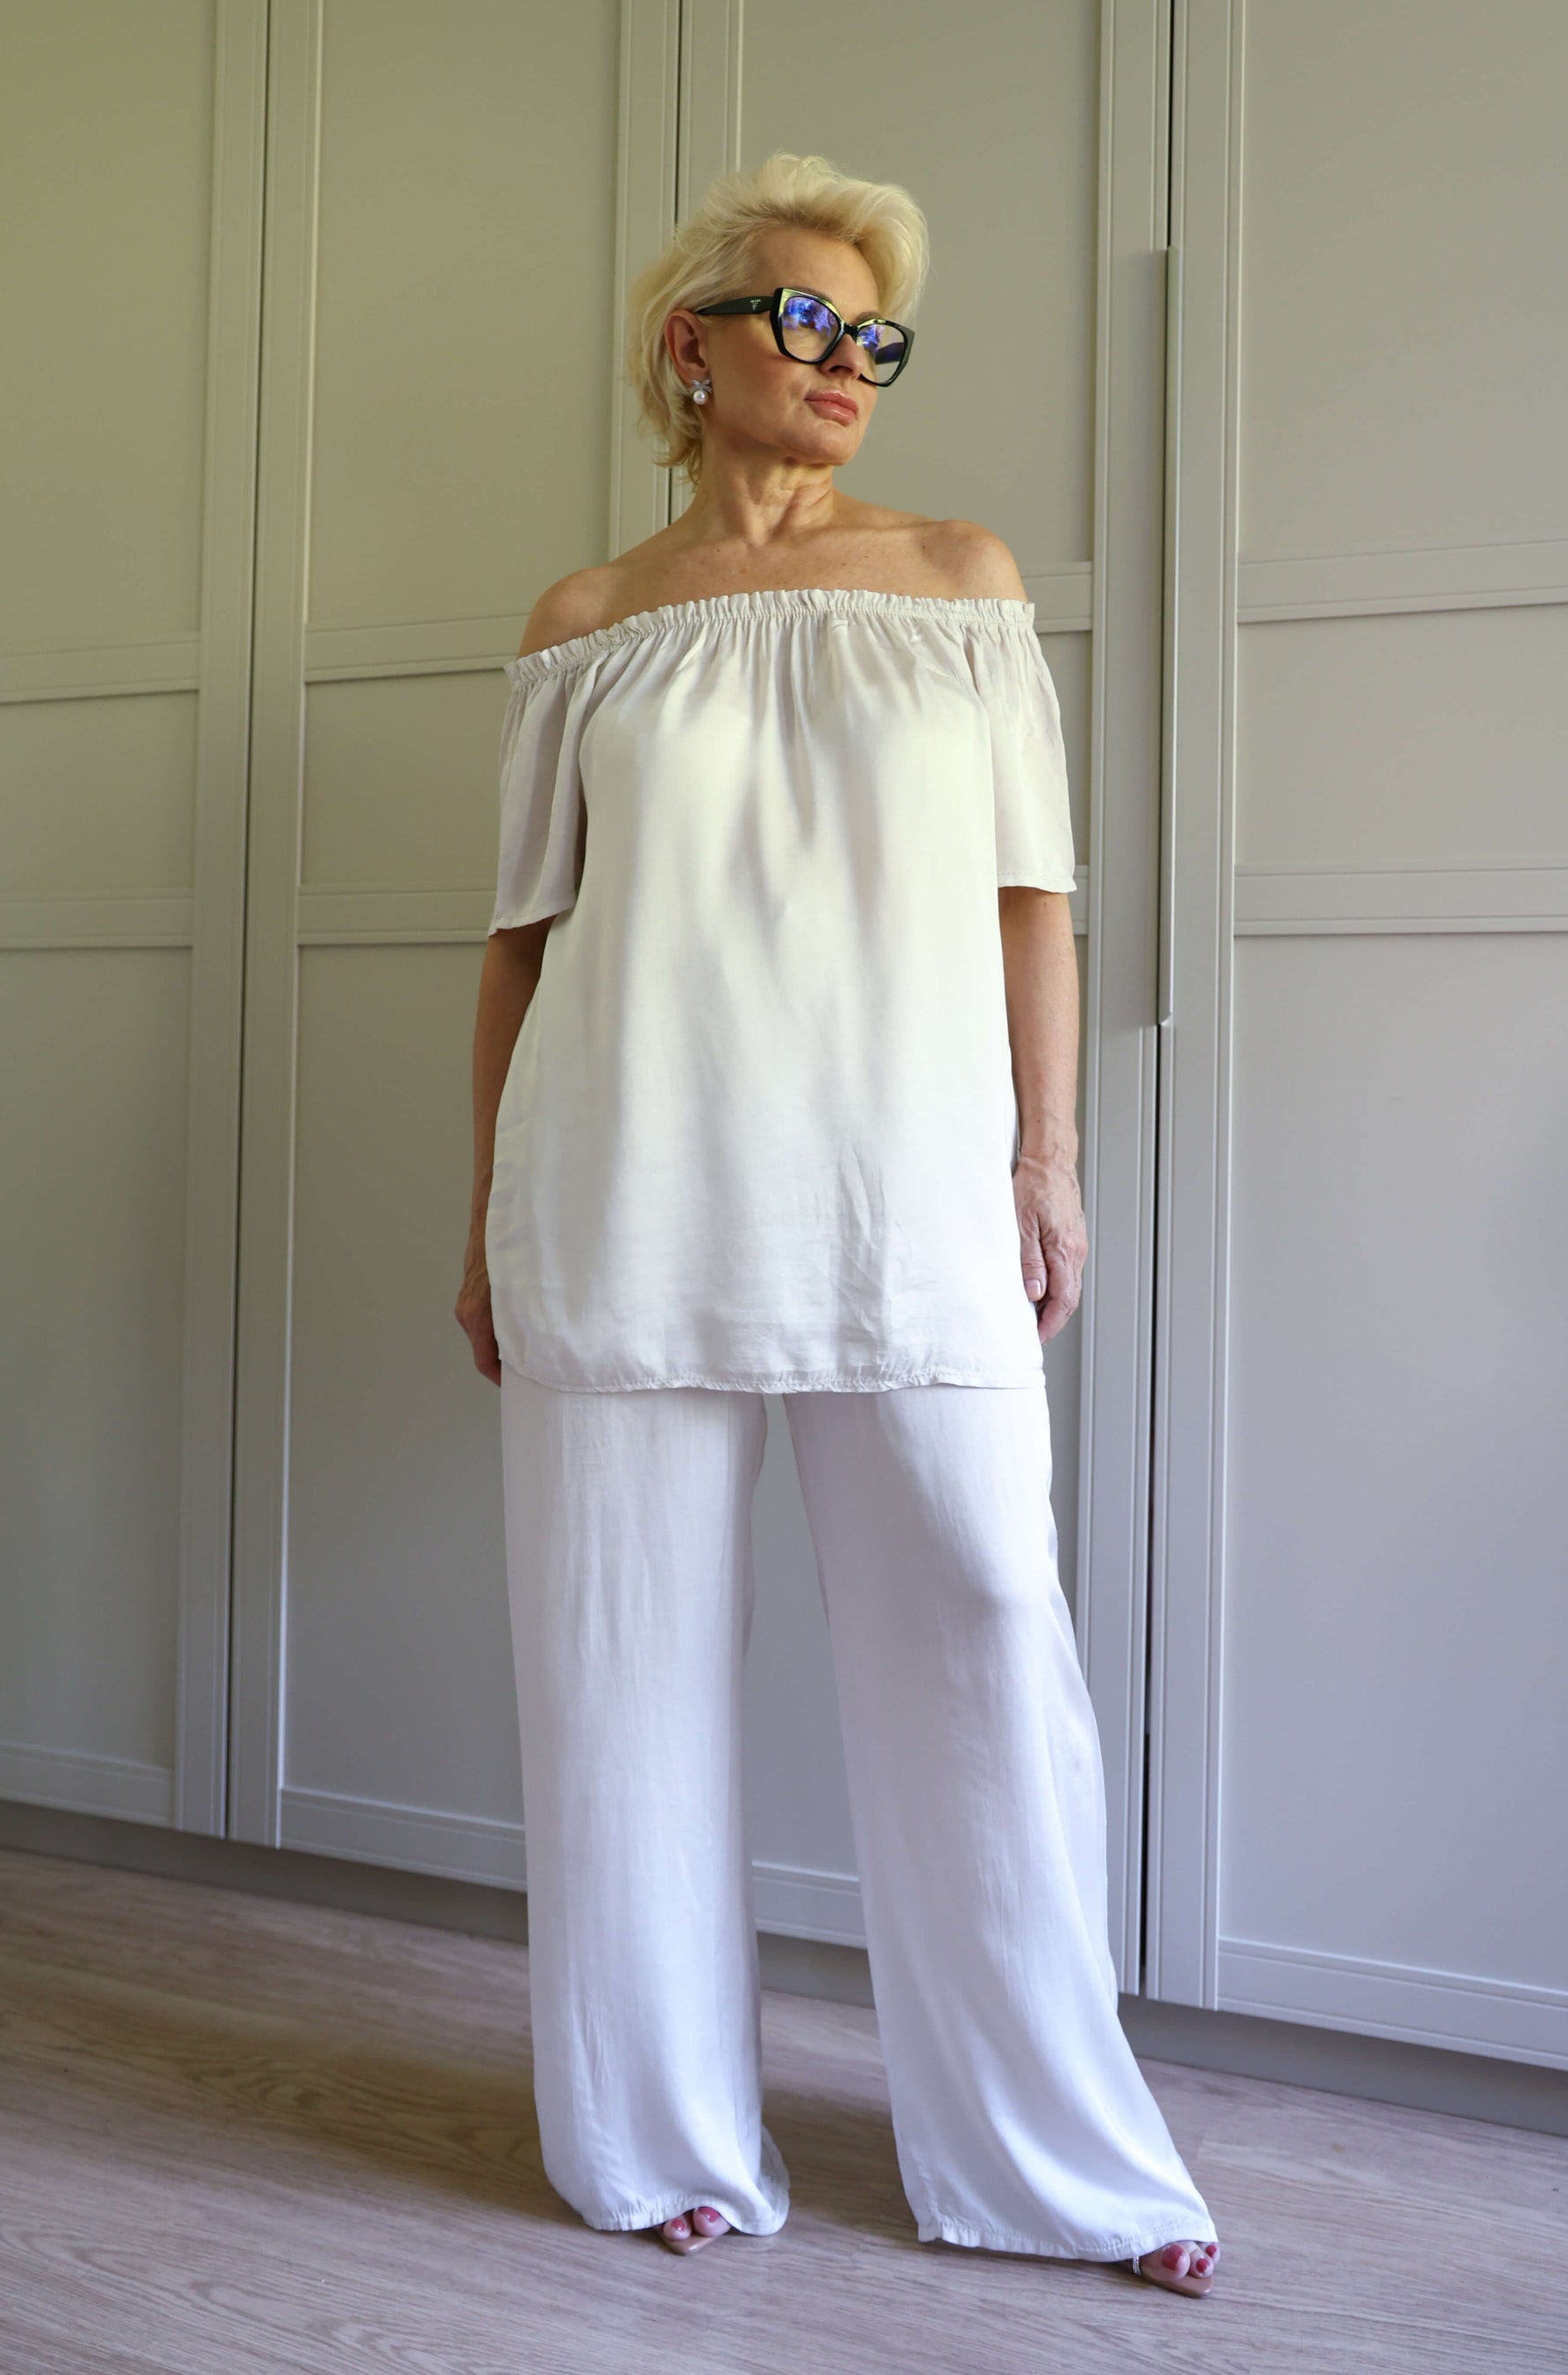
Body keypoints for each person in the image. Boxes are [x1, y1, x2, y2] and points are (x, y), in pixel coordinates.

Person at [453, 153, 1219, 2299]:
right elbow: (520, 944)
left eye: (875, 335)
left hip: (906, 1191)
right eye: (803, 317)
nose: (846, 361)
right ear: (687, 349)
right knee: (618, 1669)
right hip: (621, 1184)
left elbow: (1031, 900)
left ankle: (1055, 2155)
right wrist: (485, 1212)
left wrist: (1046, 1160)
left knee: (981, 1621)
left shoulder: (958, 580)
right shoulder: (586, 623)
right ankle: (655, 2133)